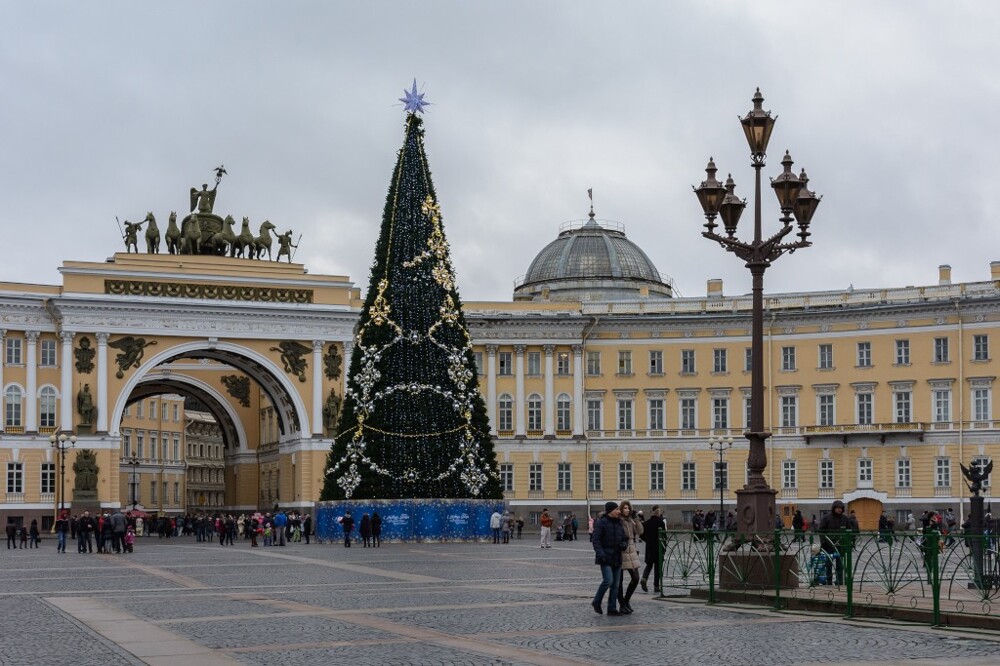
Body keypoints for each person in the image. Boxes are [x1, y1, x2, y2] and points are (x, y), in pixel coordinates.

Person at [591, 501, 626, 616]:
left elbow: (623, 537)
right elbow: (596, 540)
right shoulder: (601, 523)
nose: (619, 511)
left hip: (617, 556)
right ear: (610, 511)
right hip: (605, 557)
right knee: (608, 581)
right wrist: (601, 554)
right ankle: (596, 601)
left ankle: (612, 608)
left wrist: (624, 544)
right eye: (616, 509)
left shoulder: (619, 523)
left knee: (615, 584)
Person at [617, 500, 643, 614]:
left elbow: (640, 531)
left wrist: (636, 519)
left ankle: (626, 601)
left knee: (636, 578)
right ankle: (622, 604)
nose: (627, 510)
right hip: (621, 550)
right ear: (621, 509)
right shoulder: (618, 521)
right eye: (625, 508)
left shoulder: (631, 520)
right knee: (620, 581)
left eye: (628, 508)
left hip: (631, 550)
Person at [819, 500, 851, 585]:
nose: (839, 510)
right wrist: (823, 541)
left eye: (840, 508)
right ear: (834, 508)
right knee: (828, 564)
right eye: (837, 508)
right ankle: (829, 581)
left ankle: (839, 581)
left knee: (840, 565)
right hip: (828, 545)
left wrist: (849, 541)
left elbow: (849, 530)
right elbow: (821, 530)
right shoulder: (826, 518)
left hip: (840, 545)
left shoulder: (845, 519)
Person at [641, 505, 665, 593]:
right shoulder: (661, 523)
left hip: (650, 547)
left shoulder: (646, 523)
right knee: (658, 568)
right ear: (658, 512)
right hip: (658, 547)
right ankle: (656, 586)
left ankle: (644, 578)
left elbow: (641, 534)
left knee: (649, 565)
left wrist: (647, 540)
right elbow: (664, 536)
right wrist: (664, 547)